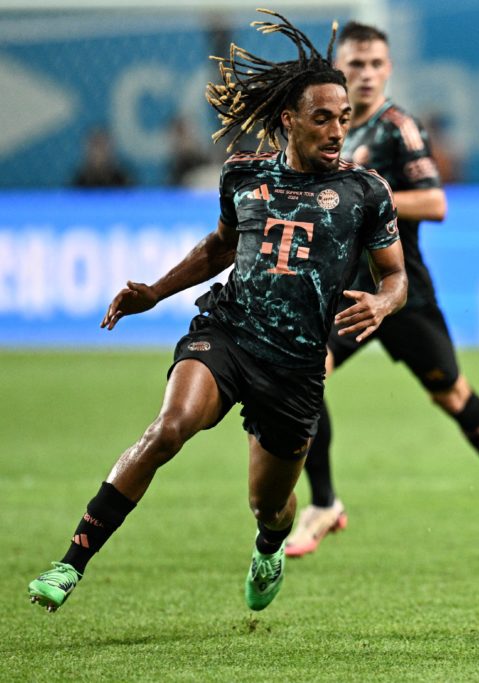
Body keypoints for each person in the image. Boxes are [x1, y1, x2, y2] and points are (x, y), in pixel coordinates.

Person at [27, 11, 407, 613]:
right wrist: (153, 292)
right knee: (168, 428)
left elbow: (396, 276)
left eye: (343, 119)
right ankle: (69, 565)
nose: (337, 130)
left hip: (297, 366)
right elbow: (219, 248)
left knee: (269, 506)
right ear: (289, 120)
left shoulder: (367, 192)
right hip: (228, 333)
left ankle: (268, 545)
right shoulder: (244, 176)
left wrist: (384, 303)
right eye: (322, 119)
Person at [282, 21, 479, 558]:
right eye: (356, 64)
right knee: (307, 376)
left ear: (388, 69)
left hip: (402, 290)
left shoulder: (399, 128)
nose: (366, 75)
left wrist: (369, 195)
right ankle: (323, 502)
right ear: (337, 69)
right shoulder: (327, 130)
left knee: (451, 394)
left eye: (375, 64)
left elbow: (436, 203)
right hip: (346, 291)